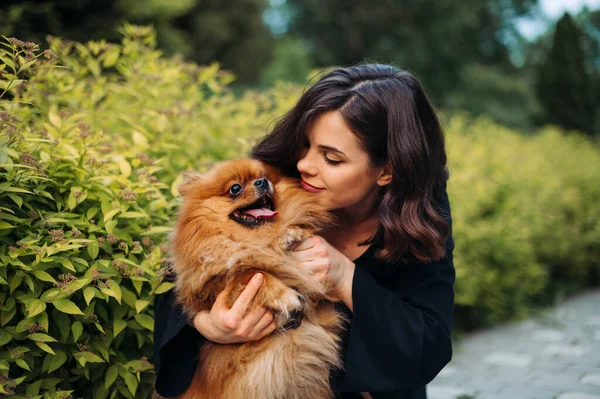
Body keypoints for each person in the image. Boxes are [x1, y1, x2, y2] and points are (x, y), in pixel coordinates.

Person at [153, 64, 455, 399]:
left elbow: (428, 342)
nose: (305, 165)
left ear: (386, 172)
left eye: (332, 158)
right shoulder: (272, 179)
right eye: (306, 144)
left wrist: (342, 274)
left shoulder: (418, 213)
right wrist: (209, 325)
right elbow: (186, 268)